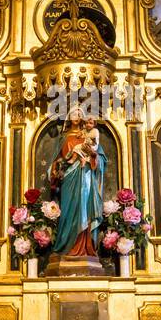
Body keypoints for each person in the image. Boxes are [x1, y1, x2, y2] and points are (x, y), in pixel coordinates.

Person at [50, 108, 105, 255]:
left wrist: (93, 155)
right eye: (73, 114)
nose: (77, 116)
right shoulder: (64, 137)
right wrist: (57, 168)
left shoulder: (88, 135)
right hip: (68, 177)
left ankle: (84, 247)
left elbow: (101, 158)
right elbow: (56, 160)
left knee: (84, 208)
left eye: (80, 114)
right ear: (68, 117)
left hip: (85, 175)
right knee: (67, 210)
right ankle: (66, 244)